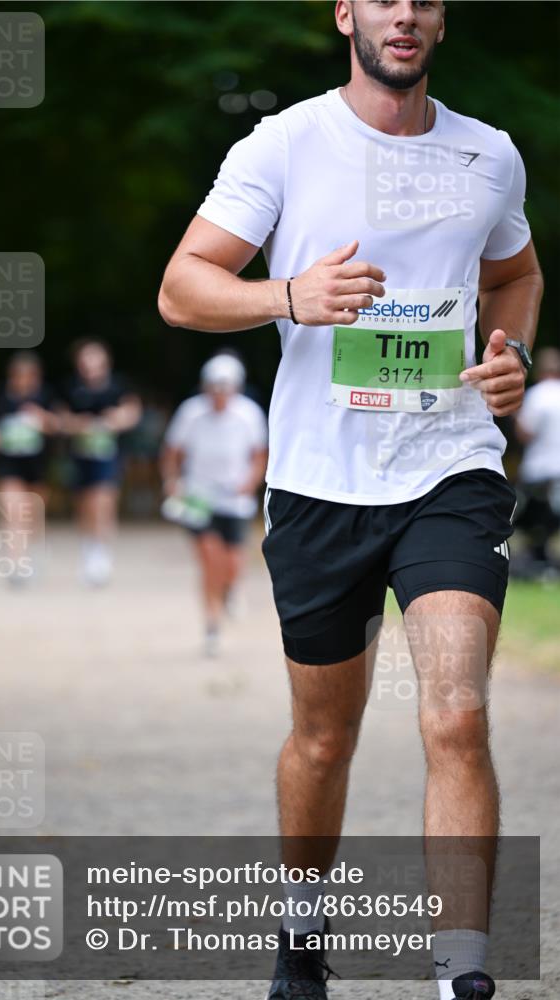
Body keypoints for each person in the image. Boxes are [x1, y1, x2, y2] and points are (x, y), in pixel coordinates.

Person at [158, 3, 543, 998]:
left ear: (441, 20)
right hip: (321, 484)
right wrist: (289, 296)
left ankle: (461, 970)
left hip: (447, 471)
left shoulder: (488, 155)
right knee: (324, 733)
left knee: (454, 715)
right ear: (348, 13)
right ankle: (299, 935)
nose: (403, 14)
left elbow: (516, 274)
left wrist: (510, 358)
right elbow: (183, 286)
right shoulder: (285, 143)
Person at [160, 353, 268, 656]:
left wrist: (248, 484)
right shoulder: (191, 412)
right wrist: (172, 481)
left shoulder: (249, 414)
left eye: (225, 387)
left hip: (234, 499)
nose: (218, 394)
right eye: (214, 387)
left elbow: (259, 455)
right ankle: (212, 625)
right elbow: (172, 451)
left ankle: (230, 590)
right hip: (199, 496)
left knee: (233, 563)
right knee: (209, 560)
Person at [59, 339, 141, 586]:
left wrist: (114, 421)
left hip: (109, 456)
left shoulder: (118, 387)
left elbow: (132, 413)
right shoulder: (71, 388)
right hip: (80, 456)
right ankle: (88, 549)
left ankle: (101, 555)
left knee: (103, 502)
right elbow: (59, 419)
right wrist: (78, 425)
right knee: (84, 505)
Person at [0, 351, 57, 582]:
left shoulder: (45, 397)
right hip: (7, 465)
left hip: (37, 467)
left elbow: (59, 425)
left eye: (29, 376)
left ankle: (31, 554)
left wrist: (43, 419)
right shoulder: (0, 399)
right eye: (19, 376)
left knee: (32, 514)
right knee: (13, 512)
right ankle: (15, 563)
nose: (24, 381)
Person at [513, 347, 560, 575]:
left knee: (531, 522)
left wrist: (515, 415)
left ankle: (536, 563)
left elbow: (525, 433)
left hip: (539, 471)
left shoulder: (537, 395)